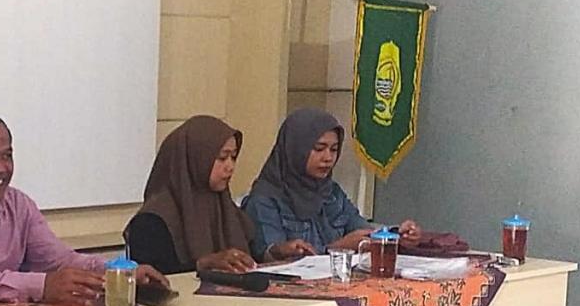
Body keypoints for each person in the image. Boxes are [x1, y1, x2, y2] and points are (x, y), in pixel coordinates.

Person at [0, 110, 170, 304]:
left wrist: (119, 272)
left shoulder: (18, 204)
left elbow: (58, 260)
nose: (1, 168)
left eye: (7, 156)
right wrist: (42, 286)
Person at [242, 108, 421, 260]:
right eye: (319, 149)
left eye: (334, 149)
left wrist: (397, 235)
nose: (328, 158)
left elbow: (361, 229)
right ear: (295, 149)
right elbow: (273, 262)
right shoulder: (264, 200)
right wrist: (336, 249)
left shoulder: (331, 192)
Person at [124, 116, 257, 275]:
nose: (230, 166)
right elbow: (152, 278)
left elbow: (253, 259)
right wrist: (201, 264)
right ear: (194, 159)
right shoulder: (152, 221)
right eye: (222, 158)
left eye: (233, 157)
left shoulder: (228, 210)